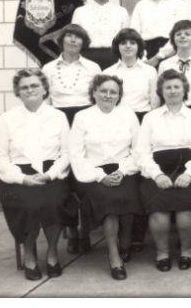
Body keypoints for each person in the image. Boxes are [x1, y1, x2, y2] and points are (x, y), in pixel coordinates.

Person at [0, 69, 77, 281]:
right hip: (18, 174)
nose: (30, 90)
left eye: (34, 85)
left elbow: (66, 154)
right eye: (24, 87)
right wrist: (21, 178)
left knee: (54, 202)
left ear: (44, 89)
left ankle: (52, 253)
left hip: (51, 172)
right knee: (27, 205)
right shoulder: (7, 119)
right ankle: (29, 255)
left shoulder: (58, 117)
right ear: (18, 92)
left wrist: (50, 174)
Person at [68, 75, 141, 281]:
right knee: (109, 202)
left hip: (124, 168)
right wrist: (100, 176)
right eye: (103, 91)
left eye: (113, 92)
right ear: (94, 92)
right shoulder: (82, 117)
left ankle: (125, 237)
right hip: (92, 172)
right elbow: (76, 155)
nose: (108, 95)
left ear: (119, 95)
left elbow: (139, 149)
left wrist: (123, 171)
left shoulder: (128, 114)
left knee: (130, 193)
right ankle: (114, 255)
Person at [136, 69, 191, 272]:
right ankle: (162, 253)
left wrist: (189, 174)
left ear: (185, 90)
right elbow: (142, 152)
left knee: (186, 213)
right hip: (157, 173)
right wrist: (157, 175)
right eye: (167, 87)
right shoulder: (150, 118)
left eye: (177, 86)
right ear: (161, 91)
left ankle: (187, 250)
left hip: (189, 173)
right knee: (159, 214)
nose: (173, 90)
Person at [41, 23, 101, 253]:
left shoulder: (93, 67)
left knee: (83, 176)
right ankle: (72, 231)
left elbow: (97, 99)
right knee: (65, 178)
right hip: (59, 121)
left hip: (85, 120)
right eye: (69, 36)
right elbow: (46, 101)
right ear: (62, 40)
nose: (73, 41)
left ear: (83, 42)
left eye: (78, 37)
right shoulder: (48, 68)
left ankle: (85, 231)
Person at [71, 0, 130, 70]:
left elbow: (126, 40)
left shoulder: (121, 11)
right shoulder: (80, 12)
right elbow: (75, 40)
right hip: (86, 60)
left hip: (115, 60)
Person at [130, 0, 187, 64]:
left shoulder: (178, 4)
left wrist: (159, 57)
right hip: (145, 54)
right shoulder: (140, 5)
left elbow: (180, 34)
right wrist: (143, 59)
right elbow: (134, 35)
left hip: (171, 53)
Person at [104, 28, 159, 123]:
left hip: (143, 119)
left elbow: (155, 102)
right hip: (115, 119)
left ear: (139, 46)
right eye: (123, 43)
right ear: (117, 47)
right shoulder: (107, 73)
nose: (128, 46)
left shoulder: (150, 71)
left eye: (132, 43)